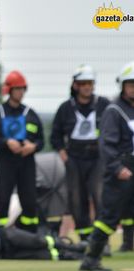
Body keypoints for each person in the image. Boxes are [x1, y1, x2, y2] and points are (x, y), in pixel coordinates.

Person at [80, 61, 134, 271]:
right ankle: (91, 259)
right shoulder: (114, 110)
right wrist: (116, 167)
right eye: (130, 85)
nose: (133, 89)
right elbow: (106, 143)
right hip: (120, 170)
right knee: (109, 217)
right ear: (122, 86)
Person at [50, 65, 110, 241]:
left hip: (97, 157)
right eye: (83, 83)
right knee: (76, 197)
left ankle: (100, 239)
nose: (87, 87)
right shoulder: (66, 108)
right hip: (74, 157)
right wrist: (62, 153)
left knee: (99, 194)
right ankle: (85, 237)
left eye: (90, 83)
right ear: (76, 85)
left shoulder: (103, 105)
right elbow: (55, 135)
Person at [0, 70, 44, 233]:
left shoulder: (30, 114)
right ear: (9, 90)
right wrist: (6, 142)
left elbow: (41, 141)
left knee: (30, 201)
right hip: (5, 162)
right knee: (2, 199)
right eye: (17, 89)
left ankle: (30, 235)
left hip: (26, 163)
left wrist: (33, 147)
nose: (21, 92)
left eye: (23, 89)